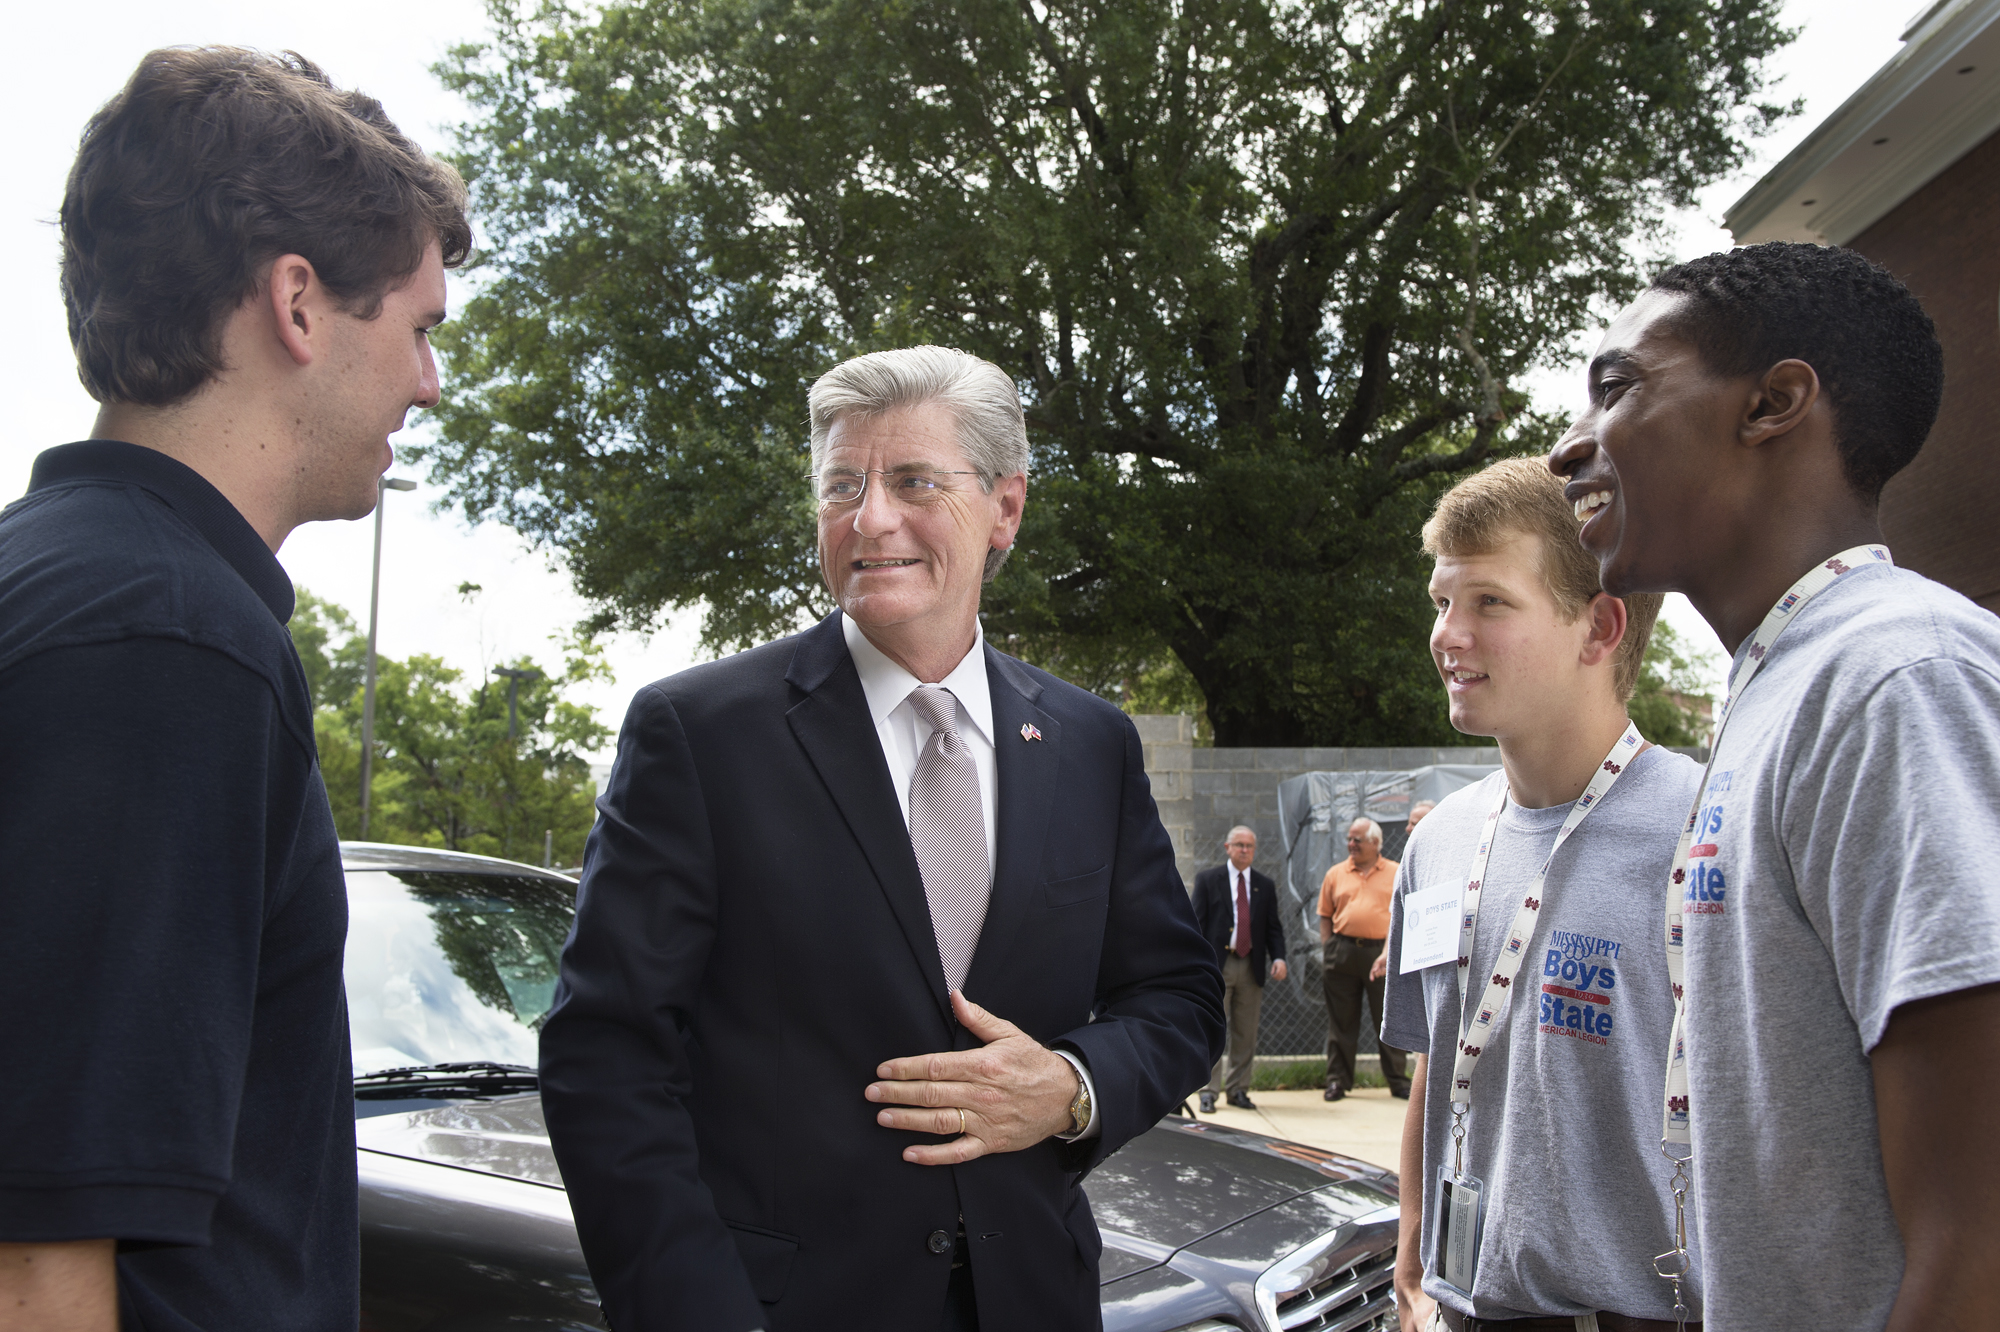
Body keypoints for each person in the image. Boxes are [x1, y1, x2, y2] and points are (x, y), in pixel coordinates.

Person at [539, 345, 1225, 1332]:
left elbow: (1175, 998)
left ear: (1005, 507)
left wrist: (1071, 1085)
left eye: (911, 481)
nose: (868, 520)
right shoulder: (699, 734)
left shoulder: (1088, 743)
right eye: (840, 486)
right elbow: (606, 1059)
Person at [0, 48, 469, 1332]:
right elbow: (38, 1253)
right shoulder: (163, 644)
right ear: (299, 304)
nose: (430, 382)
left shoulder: (54, 582)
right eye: (420, 329)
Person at [1547, 242, 2000, 1331]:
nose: (1569, 448)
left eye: (1616, 389)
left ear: (1772, 404)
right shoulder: (1783, 690)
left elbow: (1979, 1229)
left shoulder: (1896, 677)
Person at [1379, 457, 1704, 1332]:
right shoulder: (1439, 842)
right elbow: (1433, 1067)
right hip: (1459, 1309)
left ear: (1599, 626)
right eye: (1442, 602)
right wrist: (1411, 1262)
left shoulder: (1709, 833)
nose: (1449, 633)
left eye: (1489, 601)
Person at [1190, 826, 1288, 1113]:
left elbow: (1274, 928)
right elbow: (1196, 923)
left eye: (1249, 846)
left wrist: (1279, 958)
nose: (1245, 850)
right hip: (1218, 966)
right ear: (1227, 847)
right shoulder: (1209, 880)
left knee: (1246, 1031)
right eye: (1239, 845)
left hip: (1252, 966)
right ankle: (1208, 1091)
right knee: (1214, 1029)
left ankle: (1238, 1089)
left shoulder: (1264, 885)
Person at [1318, 818, 1410, 1101]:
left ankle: (1397, 1080)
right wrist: (1329, 948)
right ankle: (1337, 1081)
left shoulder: (1396, 872)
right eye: (1349, 839)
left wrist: (1389, 951)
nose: (1351, 844)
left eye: (1357, 839)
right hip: (1342, 953)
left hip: (1381, 956)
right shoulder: (1336, 873)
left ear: (1375, 843)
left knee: (1388, 1018)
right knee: (1341, 1022)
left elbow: (1402, 912)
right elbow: (1325, 914)